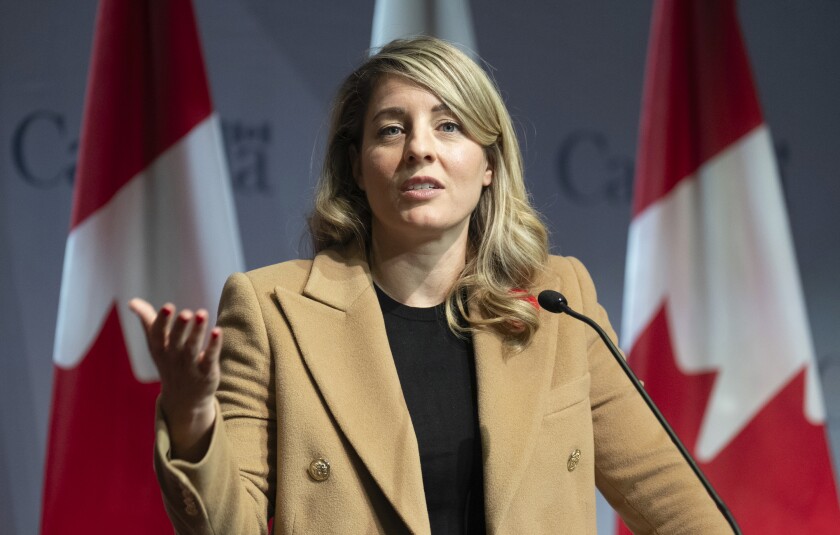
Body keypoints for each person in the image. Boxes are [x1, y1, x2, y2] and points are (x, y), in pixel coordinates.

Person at [129, 36, 732, 534]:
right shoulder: (272, 312)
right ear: (358, 167)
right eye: (391, 130)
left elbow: (679, 505)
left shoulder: (558, 300)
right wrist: (193, 415)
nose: (420, 148)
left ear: (489, 163)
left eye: (449, 126)